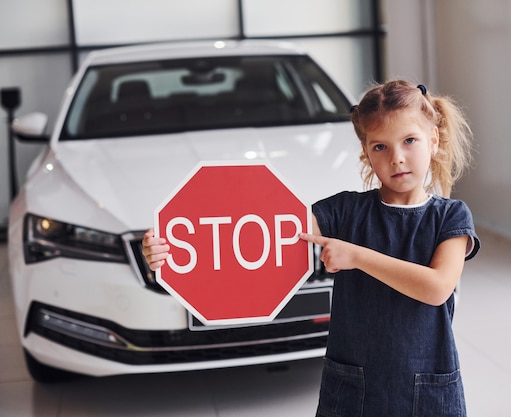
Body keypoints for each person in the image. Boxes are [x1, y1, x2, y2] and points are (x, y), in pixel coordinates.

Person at [142, 80, 480, 417]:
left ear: (433, 140)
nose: (397, 158)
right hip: (353, 388)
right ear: (366, 152)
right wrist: (168, 248)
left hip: (427, 390)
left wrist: (357, 256)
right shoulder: (344, 211)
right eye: (380, 147)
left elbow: (437, 288)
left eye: (410, 141)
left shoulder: (451, 216)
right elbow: (261, 235)